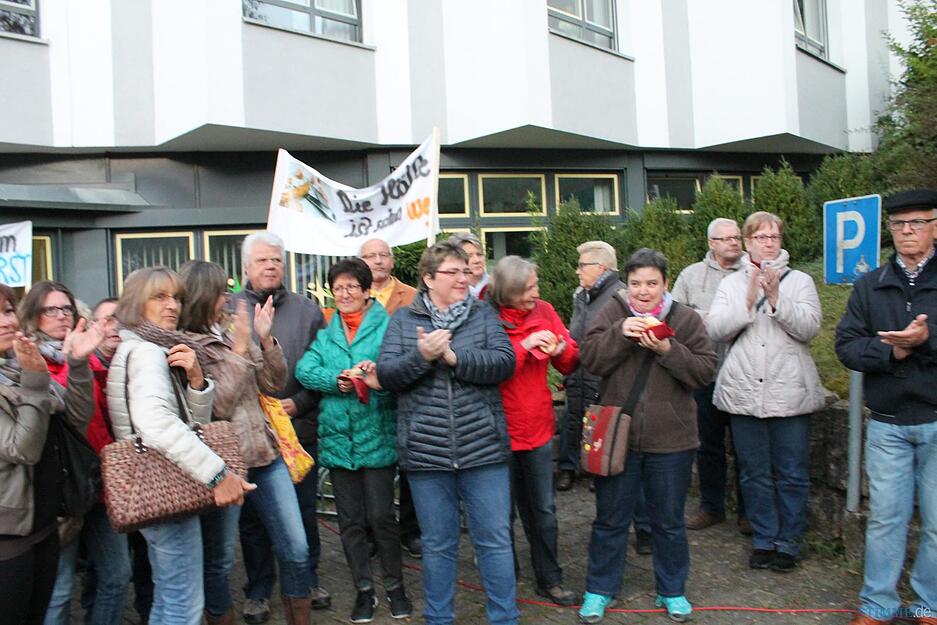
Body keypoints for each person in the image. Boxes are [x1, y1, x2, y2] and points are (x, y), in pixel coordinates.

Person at [377, 241, 519, 625]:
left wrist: (457, 359)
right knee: (438, 546)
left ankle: (505, 618)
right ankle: (438, 618)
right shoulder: (403, 321)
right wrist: (422, 357)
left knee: (494, 542)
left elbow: (504, 363)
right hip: (427, 454)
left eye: (465, 271)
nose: (462, 278)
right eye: (452, 272)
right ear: (428, 279)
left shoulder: (483, 314)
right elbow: (387, 376)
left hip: (483, 449)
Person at [106, 266, 254, 625]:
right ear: (136, 303)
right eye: (159, 297)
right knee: (183, 604)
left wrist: (196, 382)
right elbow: (155, 423)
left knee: (170, 596)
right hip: (165, 485)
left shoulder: (151, 346)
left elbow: (191, 424)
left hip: (163, 486)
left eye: (176, 297)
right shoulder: (146, 352)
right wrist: (219, 475)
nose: (172, 305)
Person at [578, 248, 716, 624]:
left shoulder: (685, 318)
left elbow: (704, 372)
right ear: (627, 284)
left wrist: (668, 349)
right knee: (610, 519)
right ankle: (599, 589)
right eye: (636, 283)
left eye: (652, 283)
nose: (643, 291)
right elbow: (589, 359)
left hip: (672, 440)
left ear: (665, 284)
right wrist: (620, 334)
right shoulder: (613, 312)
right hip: (617, 437)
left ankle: (672, 590)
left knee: (668, 522)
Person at [178, 260, 315, 625]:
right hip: (222, 466)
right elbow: (217, 406)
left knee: (297, 548)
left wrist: (266, 340)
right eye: (222, 290)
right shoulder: (183, 344)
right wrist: (240, 348)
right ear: (203, 294)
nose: (228, 296)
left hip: (265, 456)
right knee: (220, 560)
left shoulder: (230, 329)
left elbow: (272, 383)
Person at [835, 189, 937, 625]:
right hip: (887, 423)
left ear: (935, 226)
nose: (907, 231)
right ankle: (878, 604)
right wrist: (892, 352)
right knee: (885, 520)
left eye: (917, 222)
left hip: (936, 418)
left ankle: (929, 604)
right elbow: (846, 345)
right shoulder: (870, 284)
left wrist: (926, 339)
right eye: (898, 224)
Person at [707, 211, 824, 573]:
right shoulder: (731, 284)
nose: (769, 243)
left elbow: (810, 328)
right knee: (753, 472)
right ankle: (763, 538)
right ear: (747, 242)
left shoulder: (800, 281)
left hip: (789, 391)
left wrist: (776, 300)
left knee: (792, 472)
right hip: (744, 391)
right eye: (761, 237)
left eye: (774, 237)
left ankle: (788, 542)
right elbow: (715, 330)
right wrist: (747, 302)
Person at [297, 258, 412, 623]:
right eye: (339, 288)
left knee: (381, 517)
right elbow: (305, 369)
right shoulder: (327, 331)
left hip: (376, 434)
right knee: (350, 522)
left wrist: (374, 375)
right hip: (338, 441)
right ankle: (364, 589)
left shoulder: (387, 327)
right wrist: (336, 380)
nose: (344, 294)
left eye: (351, 287)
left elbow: (399, 372)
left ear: (366, 291)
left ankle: (395, 586)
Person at [18, 283, 130, 625]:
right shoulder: (27, 360)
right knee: (60, 589)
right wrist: (75, 362)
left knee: (117, 576)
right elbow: (70, 414)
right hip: (59, 492)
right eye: (50, 310)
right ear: (33, 316)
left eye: (66, 308)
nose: (61, 316)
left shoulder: (88, 355)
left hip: (97, 481)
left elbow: (100, 417)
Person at [235, 232, 331, 624]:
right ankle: (258, 589)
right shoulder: (229, 311)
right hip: (250, 437)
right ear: (246, 267)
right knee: (253, 521)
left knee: (304, 511)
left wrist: (301, 403)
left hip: (297, 431)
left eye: (276, 259)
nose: (271, 266)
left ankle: (306, 581)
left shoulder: (308, 311)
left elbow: (323, 366)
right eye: (262, 260)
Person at [0, 284, 99, 625]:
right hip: (8, 538)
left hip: (43, 524)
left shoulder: (18, 364)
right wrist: (35, 381)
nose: (6, 321)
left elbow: (77, 418)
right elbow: (22, 449)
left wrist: (78, 364)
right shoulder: (28, 370)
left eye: (8, 311)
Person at [489, 255, 579, 606]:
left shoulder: (544, 310)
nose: (535, 293)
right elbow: (489, 368)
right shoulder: (487, 318)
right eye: (527, 289)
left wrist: (561, 349)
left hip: (538, 427)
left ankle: (550, 578)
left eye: (535, 286)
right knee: (501, 515)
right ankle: (505, 580)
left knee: (544, 510)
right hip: (498, 432)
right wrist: (524, 346)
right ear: (508, 292)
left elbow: (570, 361)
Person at [671, 218, 749, 534]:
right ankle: (711, 507)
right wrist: (713, 319)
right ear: (711, 243)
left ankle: (748, 512)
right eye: (726, 238)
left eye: (736, 237)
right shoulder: (691, 275)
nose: (733, 242)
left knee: (745, 448)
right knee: (708, 445)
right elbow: (675, 315)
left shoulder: (752, 273)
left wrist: (712, 319)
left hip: (744, 375)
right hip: (705, 374)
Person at [358, 238, 422, 559]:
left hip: (405, 391)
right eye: (370, 256)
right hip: (368, 394)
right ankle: (373, 531)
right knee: (373, 465)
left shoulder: (412, 297)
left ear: (393, 261)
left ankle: (411, 531)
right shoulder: (353, 297)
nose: (378, 260)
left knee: (411, 463)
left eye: (384, 254)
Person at [448, 233, 489, 298]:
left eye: (479, 254)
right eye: (469, 256)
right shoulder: (448, 290)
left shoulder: (497, 286)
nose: (477, 260)